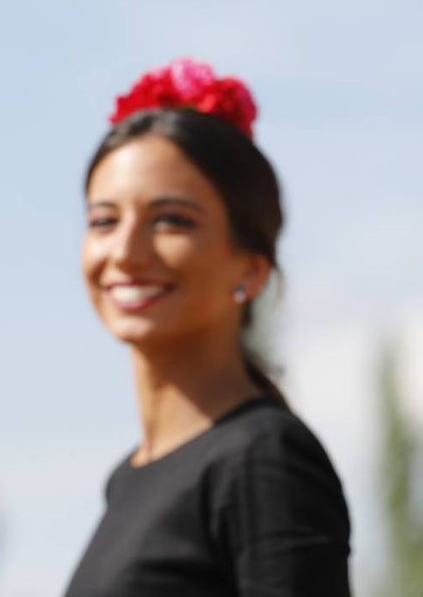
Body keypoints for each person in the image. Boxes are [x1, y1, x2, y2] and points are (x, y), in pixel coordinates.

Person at [64, 58, 351, 597]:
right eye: (104, 220)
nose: (126, 252)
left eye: (171, 219)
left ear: (251, 267)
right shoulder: (128, 479)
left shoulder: (265, 459)